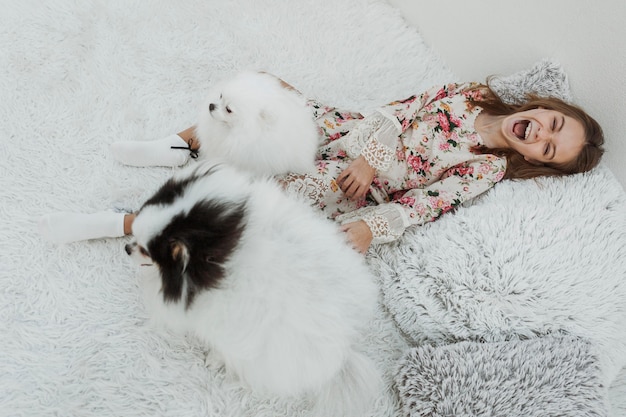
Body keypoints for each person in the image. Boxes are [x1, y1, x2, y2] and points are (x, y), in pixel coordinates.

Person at [38, 78, 604, 253]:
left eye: (548, 149)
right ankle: (184, 142)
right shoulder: (471, 93)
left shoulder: (486, 170)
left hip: (358, 186)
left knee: (257, 207)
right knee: (272, 102)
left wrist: (368, 226)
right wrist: (367, 150)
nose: (542, 135)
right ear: (541, 107)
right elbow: (402, 111)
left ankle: (131, 221)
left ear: (534, 162)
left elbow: (427, 203)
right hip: (360, 134)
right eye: (551, 124)